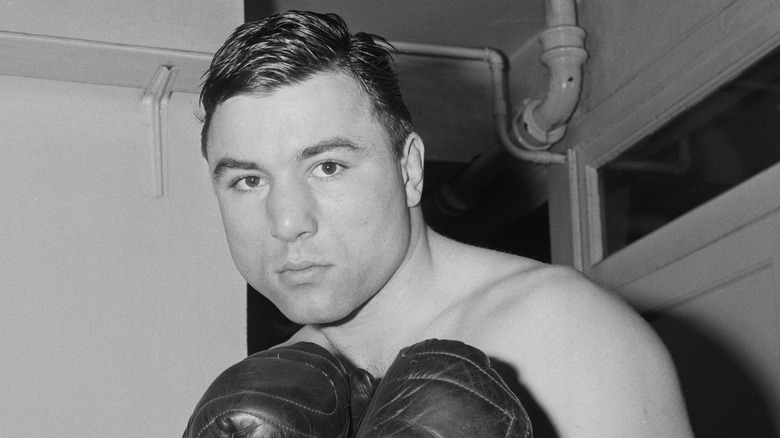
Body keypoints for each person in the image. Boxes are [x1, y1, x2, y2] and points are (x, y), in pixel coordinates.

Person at [197, 10, 693, 437]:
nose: (286, 222)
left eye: (328, 167)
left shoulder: (563, 330)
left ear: (409, 169)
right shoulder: (262, 399)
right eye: (247, 180)